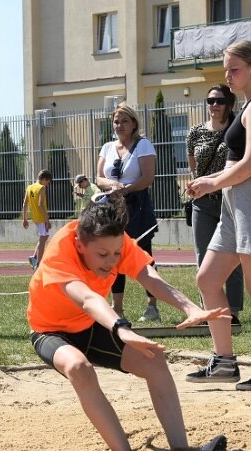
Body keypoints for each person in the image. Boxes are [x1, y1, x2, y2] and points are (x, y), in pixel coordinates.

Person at [27, 193, 229, 451]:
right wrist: (121, 328)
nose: (112, 261)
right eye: (102, 254)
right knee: (79, 367)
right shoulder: (60, 251)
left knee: (154, 359)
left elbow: (150, 277)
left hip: (89, 325)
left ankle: (182, 449)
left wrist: (190, 308)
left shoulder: (117, 243)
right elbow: (87, 299)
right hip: (50, 330)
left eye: (116, 253)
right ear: (79, 244)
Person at [181, 40, 251, 391]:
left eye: (234, 69)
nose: (227, 76)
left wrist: (211, 183)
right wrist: (210, 182)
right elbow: (238, 166)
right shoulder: (247, 106)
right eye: (226, 70)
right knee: (208, 279)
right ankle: (225, 362)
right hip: (236, 201)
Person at [96, 103, 160, 323]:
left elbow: (147, 177)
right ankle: (117, 308)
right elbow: (99, 178)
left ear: (134, 124)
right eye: (116, 121)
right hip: (112, 207)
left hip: (137, 206)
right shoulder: (107, 147)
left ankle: (152, 306)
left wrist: (126, 189)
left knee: (143, 254)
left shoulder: (143, 145)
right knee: (114, 255)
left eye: (124, 121)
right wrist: (111, 185)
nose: (119, 125)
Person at [186, 84, 244, 326]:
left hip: (228, 200)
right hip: (202, 202)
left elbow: (239, 164)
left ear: (229, 103)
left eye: (219, 101)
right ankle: (208, 309)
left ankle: (233, 312)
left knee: (231, 256)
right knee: (202, 254)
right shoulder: (195, 132)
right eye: (210, 101)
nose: (214, 105)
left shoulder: (236, 130)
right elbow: (193, 165)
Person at [22, 169, 52, 269]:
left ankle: (34, 257)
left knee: (45, 236)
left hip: (34, 217)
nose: (47, 184)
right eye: (48, 182)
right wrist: (47, 220)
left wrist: (25, 218)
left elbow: (25, 204)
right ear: (44, 179)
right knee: (43, 240)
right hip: (41, 217)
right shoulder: (41, 188)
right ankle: (38, 264)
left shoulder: (30, 187)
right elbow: (40, 204)